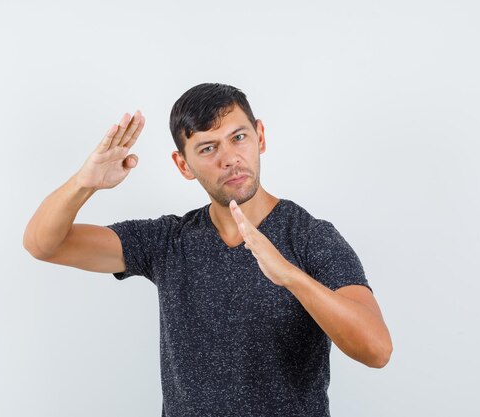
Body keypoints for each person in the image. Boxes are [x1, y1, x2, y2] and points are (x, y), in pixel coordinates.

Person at [23, 83, 393, 417]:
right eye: (208, 148)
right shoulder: (169, 240)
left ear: (260, 136)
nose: (230, 158)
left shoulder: (311, 237)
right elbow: (43, 244)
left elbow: (377, 350)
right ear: (183, 164)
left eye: (239, 138)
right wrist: (83, 184)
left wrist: (290, 276)